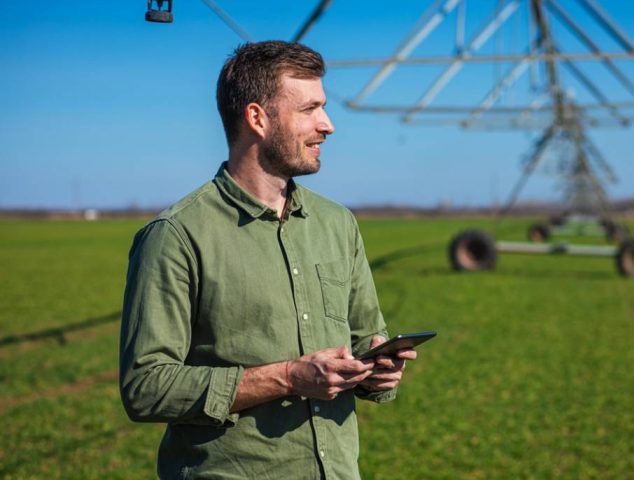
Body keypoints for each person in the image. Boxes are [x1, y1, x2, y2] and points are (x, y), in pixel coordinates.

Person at [119, 40, 416, 480]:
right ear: (257, 118)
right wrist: (290, 377)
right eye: (310, 109)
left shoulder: (338, 224)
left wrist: (377, 368)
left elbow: (365, 338)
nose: (328, 125)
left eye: (324, 108)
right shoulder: (176, 237)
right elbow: (146, 388)